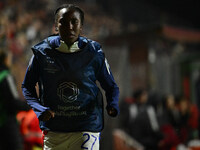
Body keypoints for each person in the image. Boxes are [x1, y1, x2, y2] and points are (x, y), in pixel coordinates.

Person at [21, 4, 120, 150]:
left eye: (74, 22)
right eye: (63, 22)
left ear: (81, 27)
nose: (69, 26)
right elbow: (27, 86)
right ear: (56, 26)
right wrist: (39, 109)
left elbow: (111, 86)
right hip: (55, 130)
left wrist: (112, 104)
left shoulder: (94, 52)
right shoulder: (41, 53)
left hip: (86, 127)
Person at [0, 50, 30, 150]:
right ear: (5, 60)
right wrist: (30, 105)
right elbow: (13, 102)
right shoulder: (6, 76)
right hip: (7, 121)